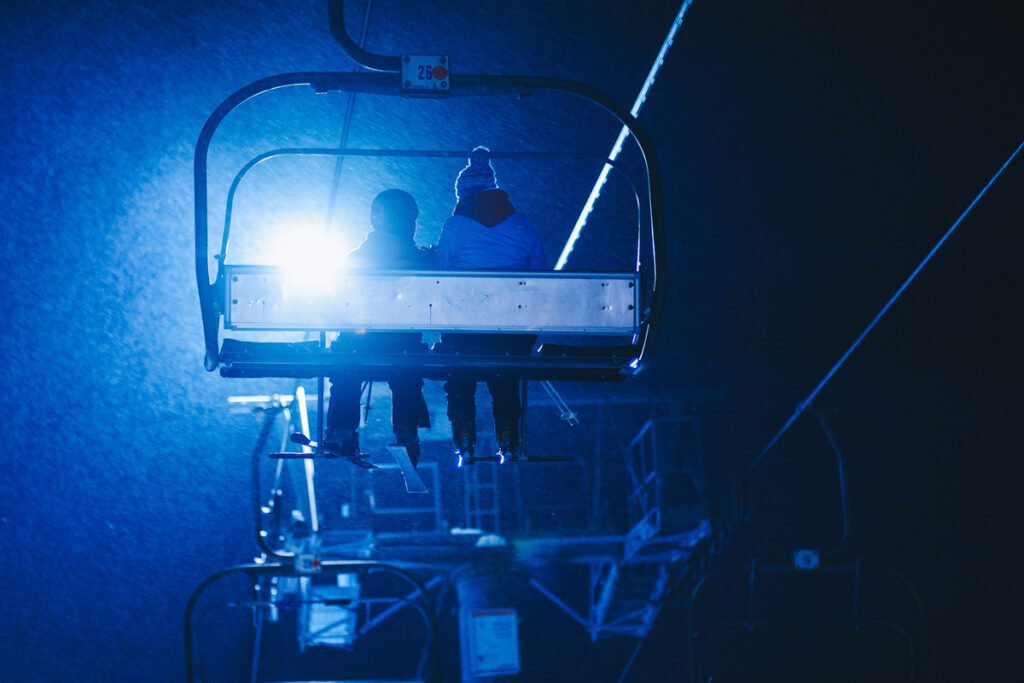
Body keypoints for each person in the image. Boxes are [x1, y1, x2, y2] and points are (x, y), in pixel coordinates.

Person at [436, 146, 545, 462]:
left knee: (460, 374)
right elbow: (540, 273)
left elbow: (439, 273)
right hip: (511, 323)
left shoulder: (454, 227)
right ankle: (508, 434)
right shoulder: (522, 224)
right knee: (505, 376)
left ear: (463, 194)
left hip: (465, 323)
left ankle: (464, 433)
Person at [323, 189, 433, 465]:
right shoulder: (421, 261)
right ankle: (407, 432)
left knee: (345, 369)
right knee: (407, 374)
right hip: (401, 344)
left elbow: (338, 303)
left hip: (359, 344)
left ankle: (341, 430)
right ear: (409, 221)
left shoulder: (355, 259)